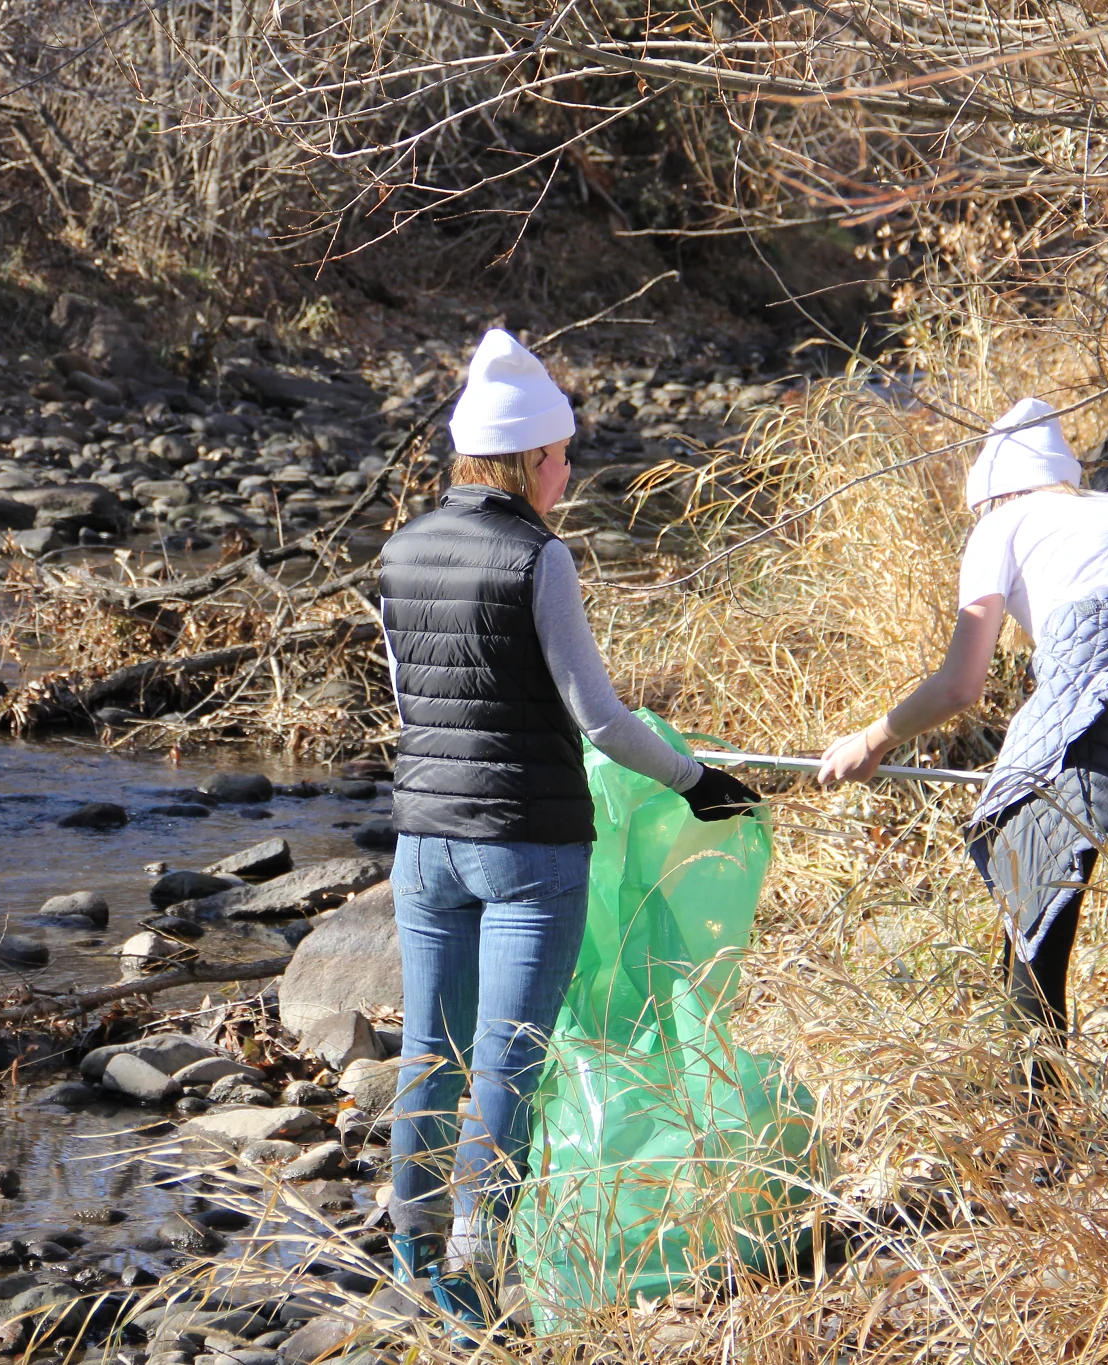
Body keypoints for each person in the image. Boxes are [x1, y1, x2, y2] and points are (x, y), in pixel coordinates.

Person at [376, 328, 762, 1320]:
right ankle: (470, 1283)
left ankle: (411, 1264)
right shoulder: (538, 558)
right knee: (506, 1062)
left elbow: (413, 701)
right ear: (533, 459)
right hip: (526, 849)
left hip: (422, 846)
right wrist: (693, 779)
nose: (568, 472)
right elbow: (598, 718)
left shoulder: (400, 548)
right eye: (562, 456)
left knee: (429, 1051)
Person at [817, 397, 1108, 1110]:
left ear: (991, 491)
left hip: (1080, 713)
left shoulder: (1002, 525)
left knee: (1033, 912)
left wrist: (872, 739)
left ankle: (1040, 1120)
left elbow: (961, 684)